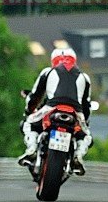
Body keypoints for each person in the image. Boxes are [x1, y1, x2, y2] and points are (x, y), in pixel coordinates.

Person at [18, 48, 93, 176]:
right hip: (75, 112)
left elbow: (34, 96)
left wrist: (29, 111)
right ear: (74, 60)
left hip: (52, 108)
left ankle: (31, 149)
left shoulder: (48, 72)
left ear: (53, 60)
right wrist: (84, 121)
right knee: (86, 136)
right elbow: (86, 105)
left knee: (29, 123)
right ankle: (78, 156)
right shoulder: (84, 77)